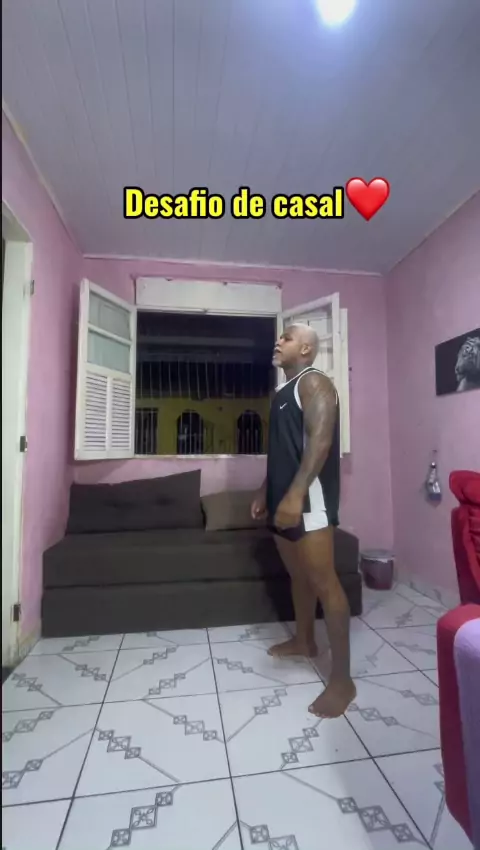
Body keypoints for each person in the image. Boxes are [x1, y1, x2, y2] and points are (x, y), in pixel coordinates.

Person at [251, 323, 356, 718]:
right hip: (283, 498)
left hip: (307, 499)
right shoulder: (283, 392)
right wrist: (265, 490)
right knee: (299, 576)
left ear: (307, 349)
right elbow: (285, 450)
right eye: (280, 337)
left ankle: (342, 681)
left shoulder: (315, 383)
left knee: (325, 583)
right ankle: (304, 641)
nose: (278, 341)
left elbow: (320, 442)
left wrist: (296, 494)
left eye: (288, 338)